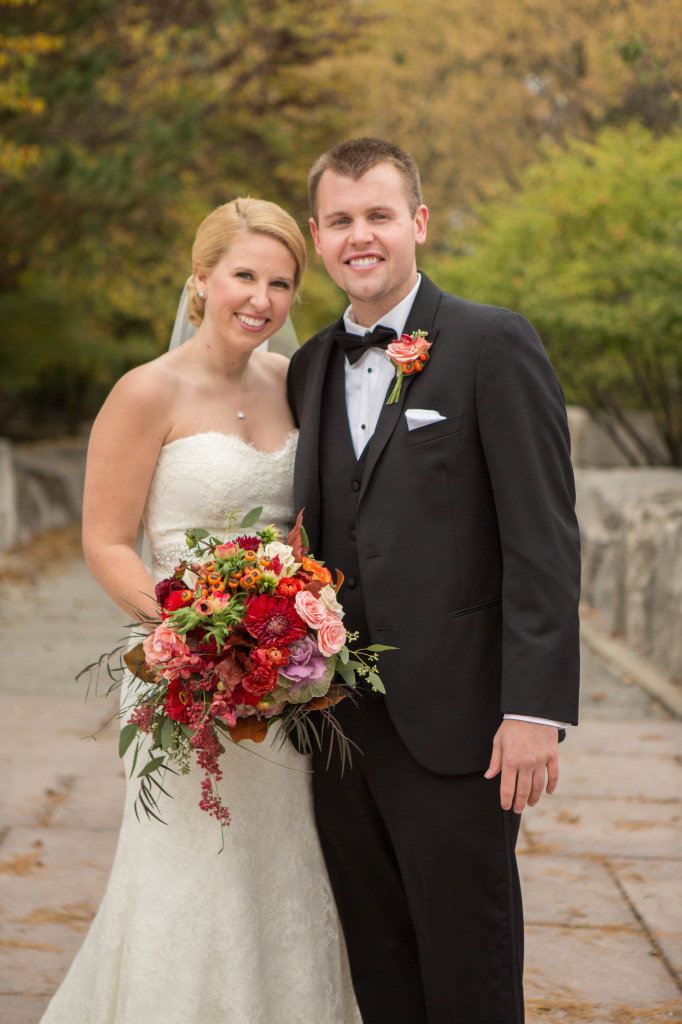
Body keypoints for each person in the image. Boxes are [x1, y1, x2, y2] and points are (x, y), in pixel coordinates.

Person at [40, 198, 361, 1024]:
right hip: (183, 674)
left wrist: (288, 623)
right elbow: (107, 541)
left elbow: (310, 520)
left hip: (283, 676)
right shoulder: (147, 391)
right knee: (193, 869)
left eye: (282, 282)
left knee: (284, 866)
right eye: (244, 275)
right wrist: (191, 635)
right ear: (200, 280)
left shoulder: (297, 383)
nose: (262, 298)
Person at [287, 138, 581, 1024]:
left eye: (378, 215)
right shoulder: (307, 365)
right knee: (380, 965)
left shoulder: (494, 343)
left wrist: (535, 710)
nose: (360, 236)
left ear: (417, 222)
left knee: (470, 966)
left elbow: (544, 537)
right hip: (333, 722)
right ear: (318, 235)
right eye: (340, 220)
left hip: (461, 723)